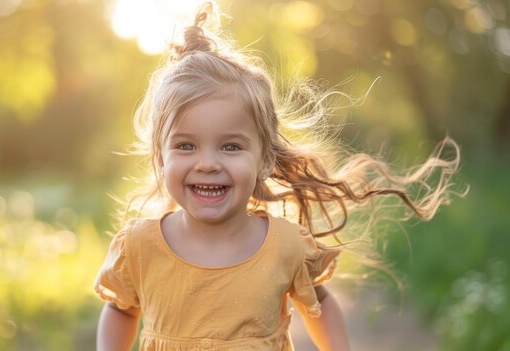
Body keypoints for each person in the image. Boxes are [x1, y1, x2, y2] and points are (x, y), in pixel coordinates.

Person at [94, 2, 461, 350]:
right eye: (186, 146)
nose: (207, 163)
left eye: (231, 147)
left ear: (265, 159)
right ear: (160, 157)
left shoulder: (284, 245)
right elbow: (120, 309)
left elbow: (319, 304)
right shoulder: (140, 247)